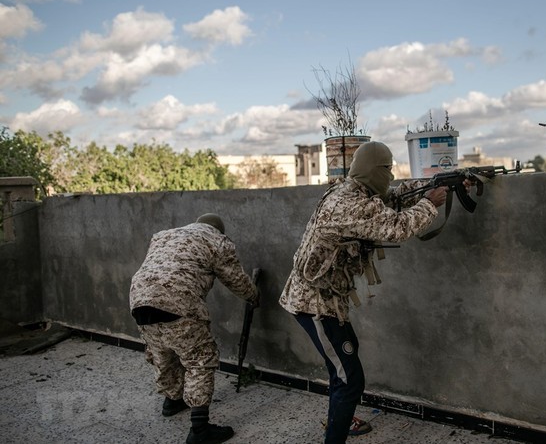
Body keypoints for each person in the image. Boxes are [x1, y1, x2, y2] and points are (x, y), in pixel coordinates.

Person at [279, 141, 454, 443]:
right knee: (350, 379)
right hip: (314, 304)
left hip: (322, 300)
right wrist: (430, 204)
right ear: (375, 170)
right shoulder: (349, 205)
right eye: (387, 169)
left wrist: (435, 184)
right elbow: (397, 227)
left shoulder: (353, 190)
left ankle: (341, 417)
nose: (390, 175)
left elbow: (393, 197)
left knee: (344, 365)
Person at [129, 213, 259, 444]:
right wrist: (253, 295)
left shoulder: (164, 235)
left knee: (162, 352)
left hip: (139, 299)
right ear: (219, 230)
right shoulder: (217, 240)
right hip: (177, 301)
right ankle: (200, 429)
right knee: (200, 358)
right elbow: (235, 279)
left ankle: (172, 400)